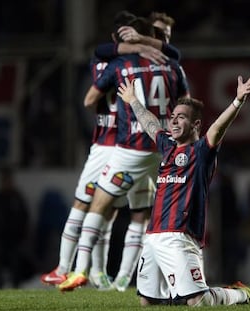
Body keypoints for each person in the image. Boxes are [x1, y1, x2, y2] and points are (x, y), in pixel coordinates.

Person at [40, 11, 173, 291]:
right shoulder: (156, 66)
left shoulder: (108, 63)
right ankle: (103, 274)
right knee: (117, 212)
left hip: (113, 146)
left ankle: (71, 269)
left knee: (92, 206)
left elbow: (90, 97)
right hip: (139, 145)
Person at [116, 75, 250, 306]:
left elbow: (218, 127)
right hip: (153, 235)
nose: (174, 121)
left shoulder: (201, 152)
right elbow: (150, 124)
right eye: (173, 117)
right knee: (147, 302)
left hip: (180, 236)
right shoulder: (167, 145)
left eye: (182, 118)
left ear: (196, 125)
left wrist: (237, 101)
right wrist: (133, 101)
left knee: (198, 300)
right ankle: (179, 296)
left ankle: (239, 294)